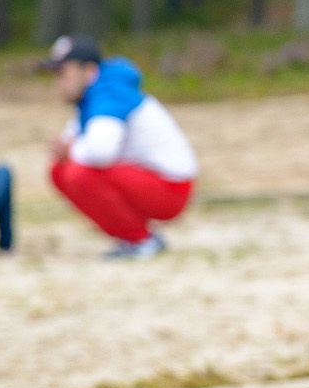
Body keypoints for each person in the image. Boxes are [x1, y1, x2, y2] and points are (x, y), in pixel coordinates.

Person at [46, 35, 198, 258]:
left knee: (80, 173)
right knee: (60, 171)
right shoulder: (95, 94)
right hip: (157, 182)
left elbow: (100, 152)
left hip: (172, 187)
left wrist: (70, 150)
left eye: (63, 73)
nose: (58, 82)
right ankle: (134, 237)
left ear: (88, 71)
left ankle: (140, 242)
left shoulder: (109, 94)